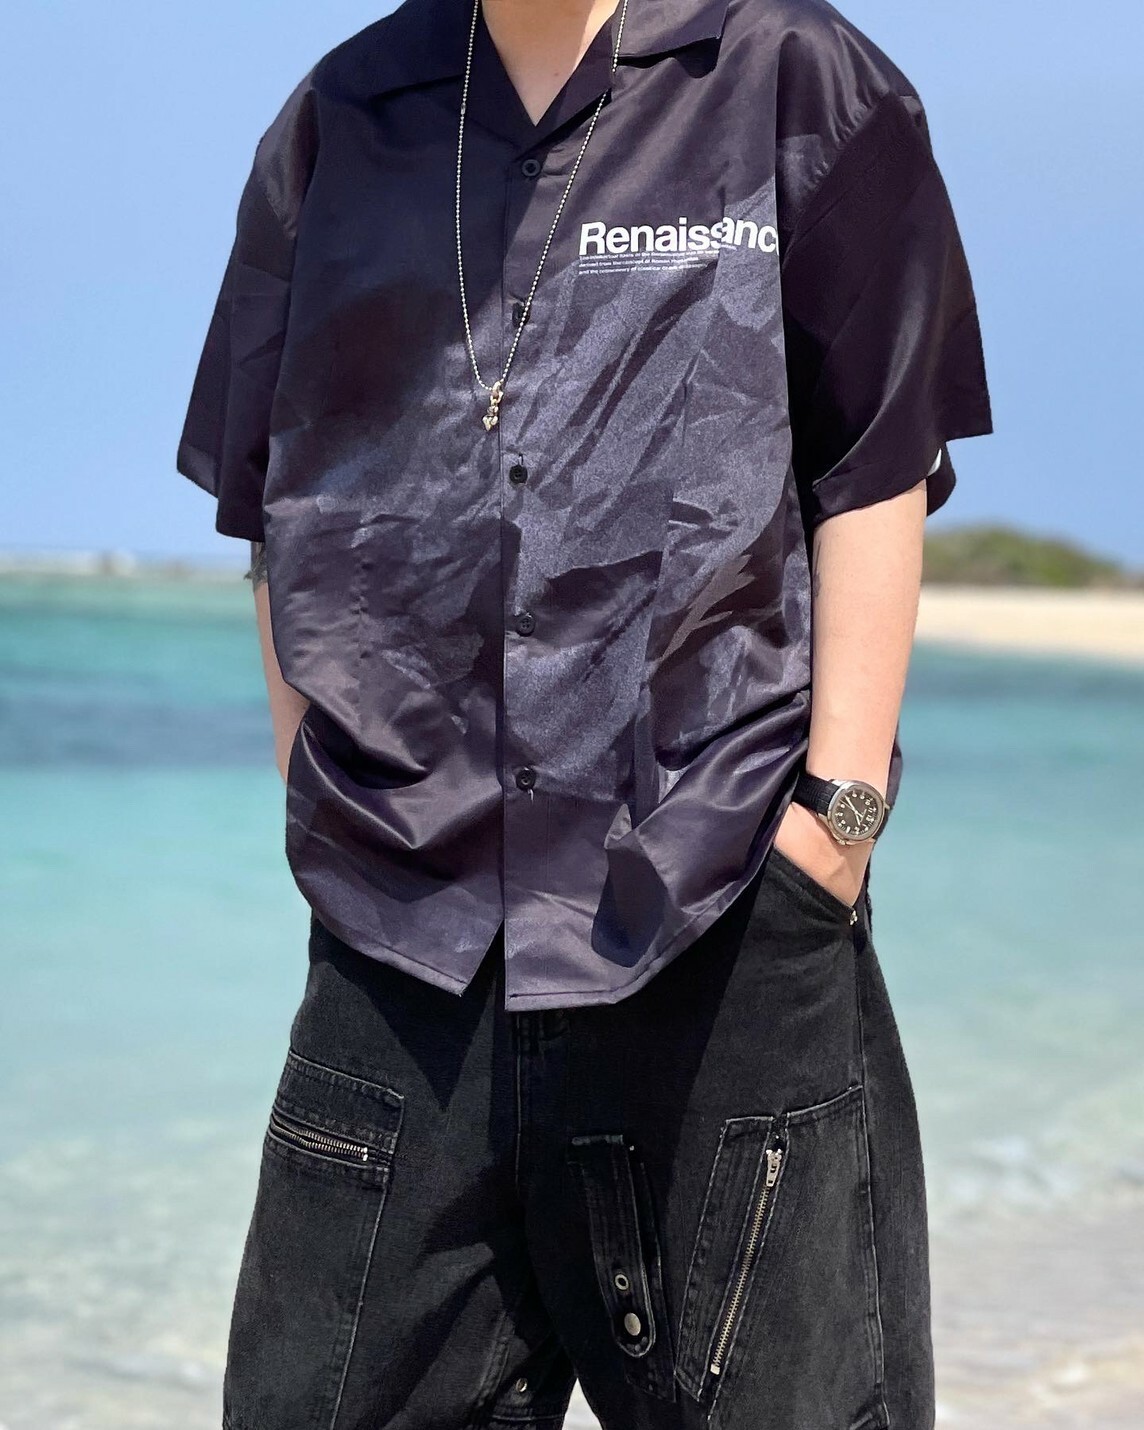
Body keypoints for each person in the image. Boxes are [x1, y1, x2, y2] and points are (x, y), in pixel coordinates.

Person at [175, 0, 993, 1425]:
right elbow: (272, 498)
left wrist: (836, 822)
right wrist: (319, 788)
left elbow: (877, 464)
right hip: (402, 957)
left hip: (720, 918)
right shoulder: (338, 124)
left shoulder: (796, 84)